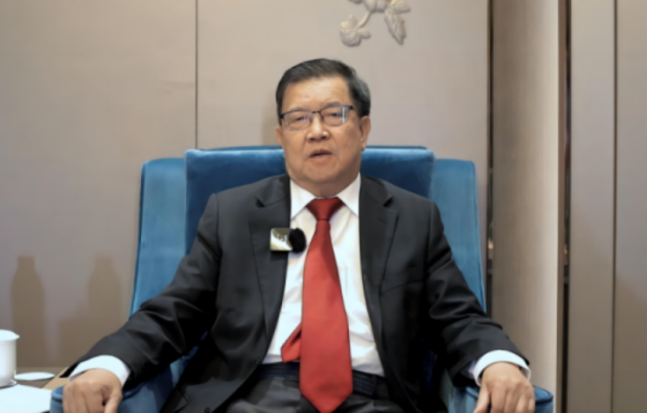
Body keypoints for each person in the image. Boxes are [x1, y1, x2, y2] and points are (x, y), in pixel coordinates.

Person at [63, 59, 535, 414]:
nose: (316, 131)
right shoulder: (233, 214)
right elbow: (175, 312)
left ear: (363, 129)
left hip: (375, 399)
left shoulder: (413, 218)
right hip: (248, 395)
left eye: (334, 114)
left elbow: (457, 317)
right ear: (281, 135)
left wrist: (496, 361)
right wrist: (108, 365)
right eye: (299, 118)